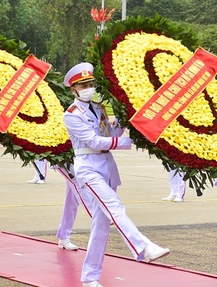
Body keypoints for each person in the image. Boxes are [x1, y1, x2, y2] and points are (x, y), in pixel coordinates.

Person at [63, 62, 170, 287]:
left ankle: (90, 277)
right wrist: (127, 141)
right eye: (83, 86)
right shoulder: (71, 115)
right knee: (115, 207)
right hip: (88, 168)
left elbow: (109, 133)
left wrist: (124, 118)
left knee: (100, 226)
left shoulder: (99, 108)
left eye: (90, 84)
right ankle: (142, 248)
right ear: (73, 90)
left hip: (107, 167)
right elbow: (94, 141)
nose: (88, 88)